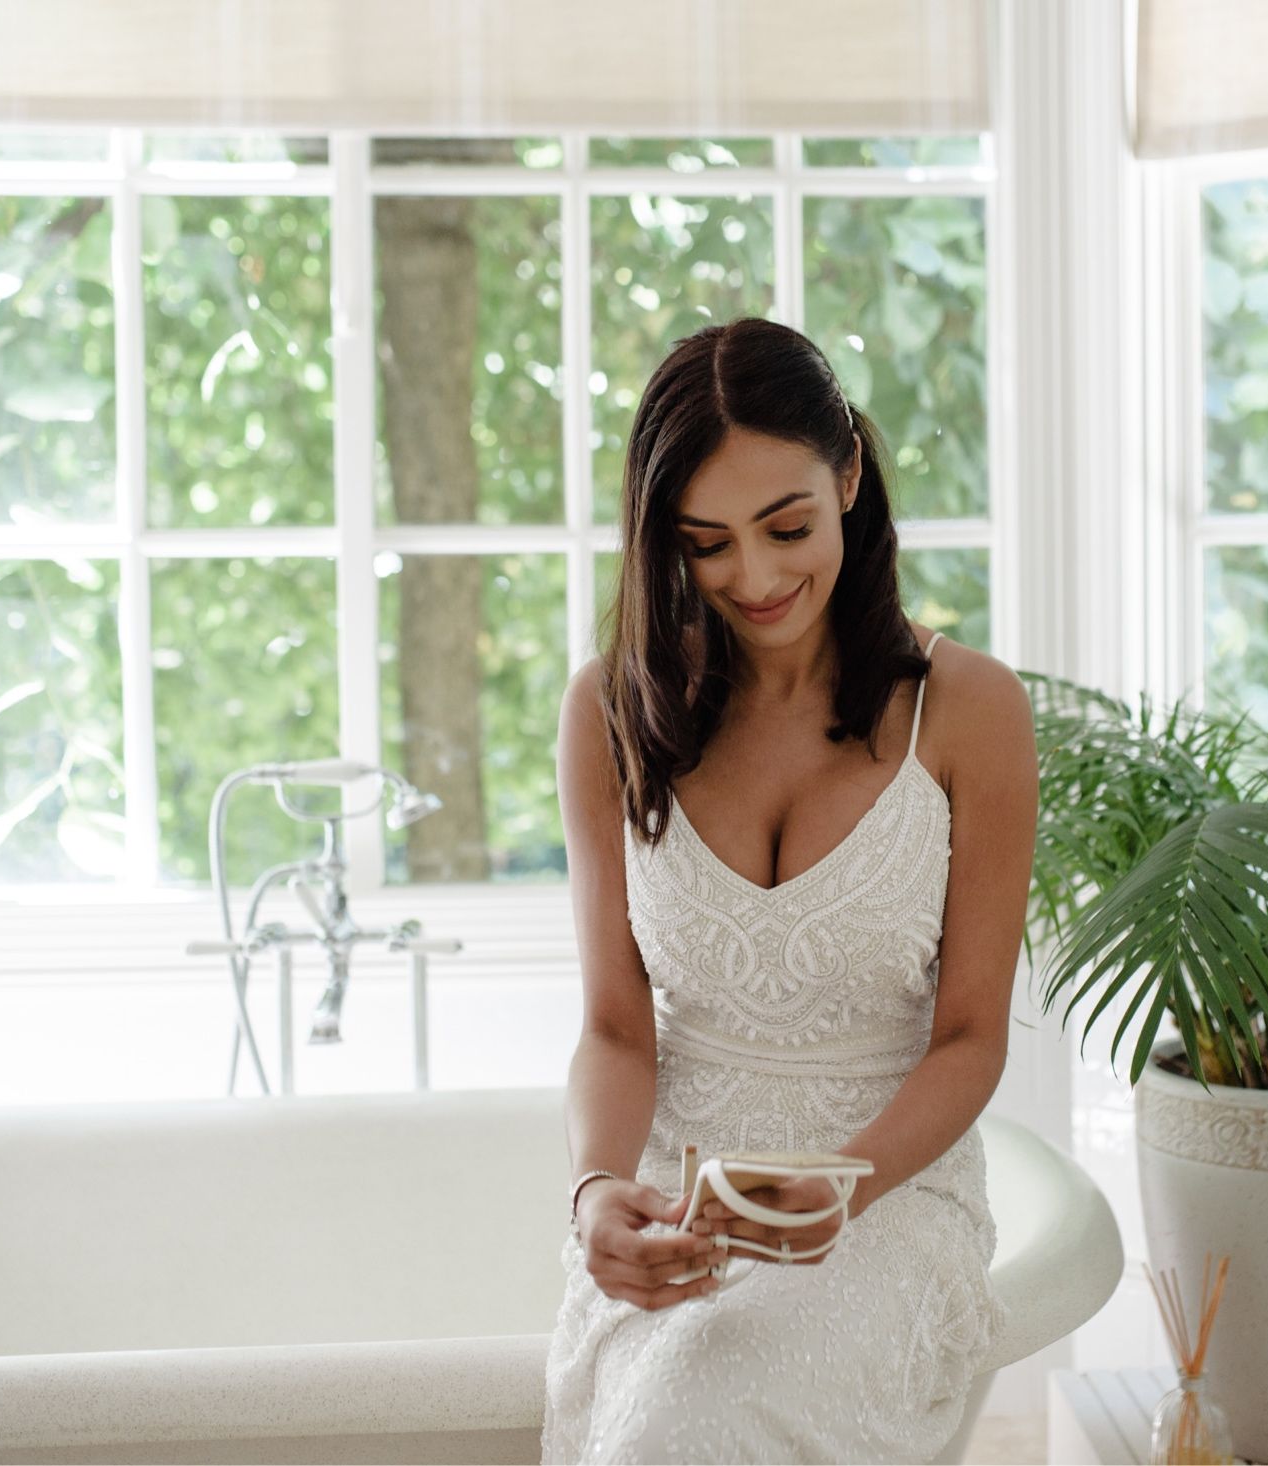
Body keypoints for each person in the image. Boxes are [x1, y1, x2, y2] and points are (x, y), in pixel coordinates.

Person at [541, 316, 1040, 1463]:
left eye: (787, 526)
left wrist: (843, 1180)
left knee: (697, 1416)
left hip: (887, 1195)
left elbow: (969, 1036)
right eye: (706, 542)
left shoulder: (968, 712)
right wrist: (597, 1192)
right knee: (668, 1405)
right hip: (677, 1208)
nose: (755, 578)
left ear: (850, 477)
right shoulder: (608, 712)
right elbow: (616, 1028)